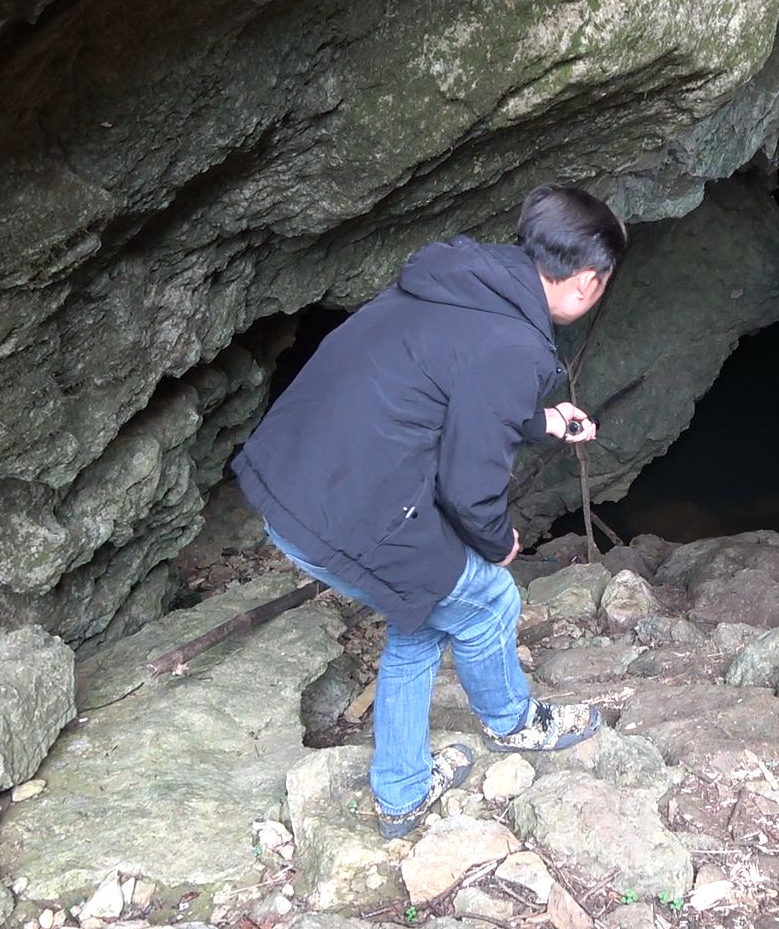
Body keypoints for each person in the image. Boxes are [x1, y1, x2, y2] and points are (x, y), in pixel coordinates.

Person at [232, 185, 625, 838]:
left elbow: (447, 389)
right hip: (350, 511)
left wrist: (542, 419)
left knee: (425, 616)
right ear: (586, 282)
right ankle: (515, 724)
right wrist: (497, 541)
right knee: (489, 598)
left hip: (293, 479)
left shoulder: (457, 283)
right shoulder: (516, 345)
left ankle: (402, 790)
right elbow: (470, 485)